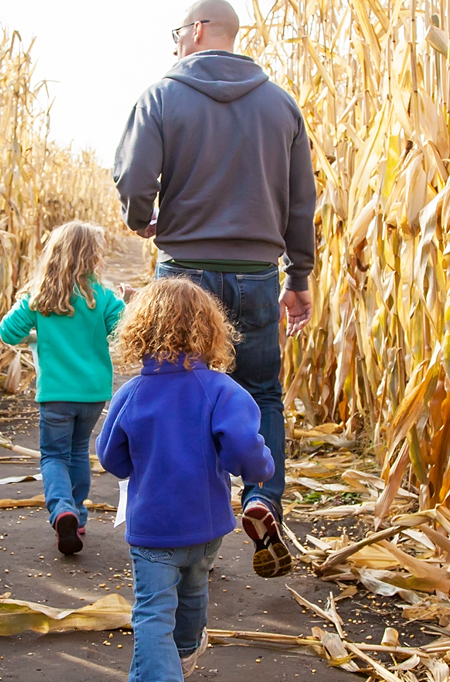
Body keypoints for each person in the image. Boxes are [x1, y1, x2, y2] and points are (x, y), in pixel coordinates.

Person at [113, 0, 316, 578]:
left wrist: (139, 217)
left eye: (178, 32)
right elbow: (302, 201)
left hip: (182, 273)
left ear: (198, 30)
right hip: (257, 273)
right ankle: (261, 497)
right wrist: (298, 277)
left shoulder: (159, 96)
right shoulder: (281, 105)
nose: (175, 43)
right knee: (260, 392)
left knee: (172, 393)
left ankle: (177, 531)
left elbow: (133, 176)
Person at [97, 278, 277, 682]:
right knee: (194, 590)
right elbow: (245, 450)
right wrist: (259, 470)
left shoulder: (132, 394)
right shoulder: (222, 390)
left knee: (153, 610)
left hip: (152, 527)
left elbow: (110, 458)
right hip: (206, 525)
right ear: (210, 331)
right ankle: (181, 657)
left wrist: (141, 458)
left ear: (141, 332)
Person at [0, 221, 126, 555]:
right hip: (94, 392)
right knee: (78, 450)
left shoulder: (40, 296)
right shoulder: (103, 296)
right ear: (93, 256)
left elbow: (7, 333)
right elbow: (123, 332)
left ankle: (62, 510)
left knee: (54, 455)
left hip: (55, 392)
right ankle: (78, 516)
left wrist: (36, 334)